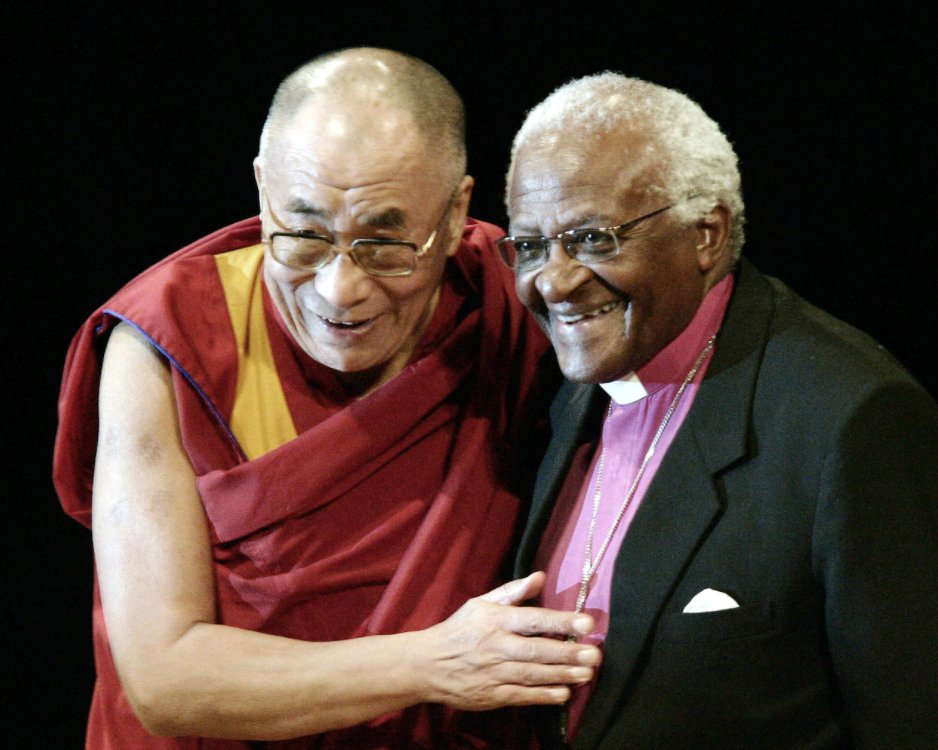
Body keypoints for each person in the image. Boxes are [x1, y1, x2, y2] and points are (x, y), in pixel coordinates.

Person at [53, 48, 602, 749]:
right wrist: (434, 662)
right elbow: (165, 677)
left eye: (385, 244)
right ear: (263, 191)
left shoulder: (506, 308)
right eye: (305, 237)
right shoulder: (169, 342)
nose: (339, 291)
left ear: (456, 211)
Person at [500, 72, 938, 749]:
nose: (554, 281)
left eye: (593, 238)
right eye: (531, 246)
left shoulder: (850, 419)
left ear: (706, 233)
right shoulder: (568, 380)